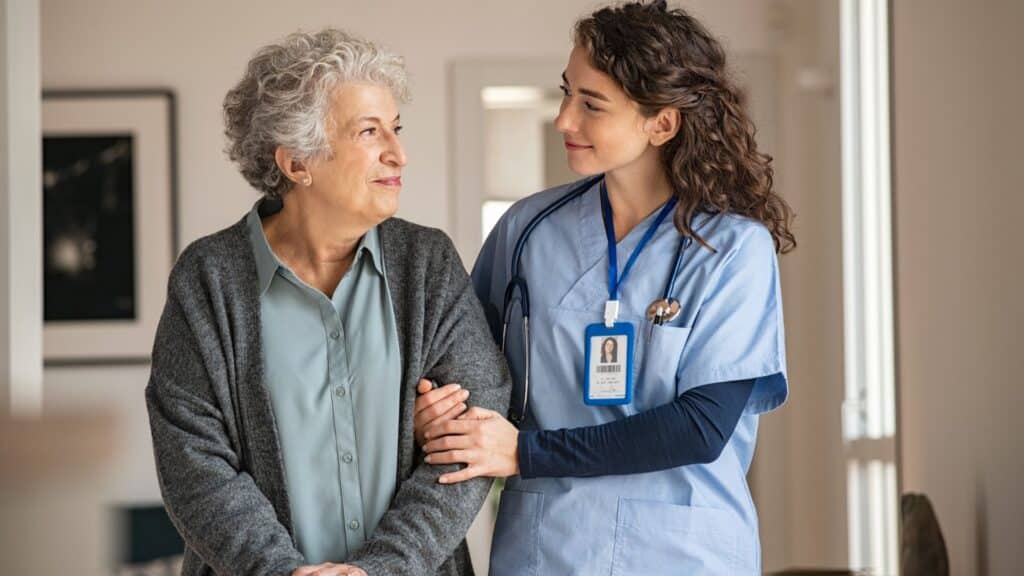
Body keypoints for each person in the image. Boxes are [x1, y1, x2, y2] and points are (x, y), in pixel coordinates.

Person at [414, 1, 794, 574]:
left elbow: (701, 426)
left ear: (662, 124)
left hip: (680, 555)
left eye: (591, 104)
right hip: (545, 550)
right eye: (567, 93)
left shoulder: (732, 249)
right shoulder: (527, 230)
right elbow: (463, 370)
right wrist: (436, 412)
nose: (564, 120)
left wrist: (525, 452)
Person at [145, 29, 509, 576]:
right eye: (369, 131)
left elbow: (473, 436)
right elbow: (193, 464)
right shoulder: (209, 278)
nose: (399, 154)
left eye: (395, 128)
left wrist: (382, 569)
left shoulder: (427, 264)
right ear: (297, 163)